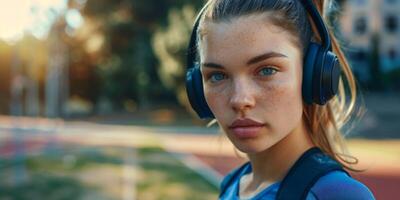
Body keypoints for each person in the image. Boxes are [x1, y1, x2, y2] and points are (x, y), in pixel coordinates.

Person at [185, 0, 375, 199]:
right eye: (217, 76)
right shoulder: (232, 185)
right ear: (198, 89)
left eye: (267, 70)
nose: (240, 100)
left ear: (312, 75)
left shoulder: (338, 195)